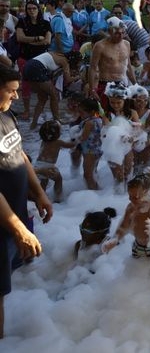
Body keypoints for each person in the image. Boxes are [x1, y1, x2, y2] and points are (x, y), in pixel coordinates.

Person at [0, 66, 53, 338]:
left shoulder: (6, 114)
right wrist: (19, 230)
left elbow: (20, 155)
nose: (17, 97)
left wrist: (39, 193)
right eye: (11, 91)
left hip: (14, 217)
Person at [102, 174, 150, 258]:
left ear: (147, 195)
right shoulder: (131, 208)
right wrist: (115, 239)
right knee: (136, 268)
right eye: (130, 196)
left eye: (136, 197)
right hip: (138, 247)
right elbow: (124, 226)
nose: (131, 199)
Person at [87, 17, 135, 111]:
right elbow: (92, 68)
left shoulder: (126, 44)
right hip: (105, 84)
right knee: (104, 114)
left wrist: (135, 84)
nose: (120, 36)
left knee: (123, 113)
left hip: (122, 84)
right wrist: (92, 89)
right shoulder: (100, 46)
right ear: (109, 32)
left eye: (122, 33)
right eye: (117, 33)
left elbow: (128, 66)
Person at [34, 120, 74, 202]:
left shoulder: (44, 141)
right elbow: (69, 145)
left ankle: (40, 198)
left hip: (38, 165)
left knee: (44, 182)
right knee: (58, 179)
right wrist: (77, 140)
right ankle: (58, 198)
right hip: (48, 166)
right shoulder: (58, 142)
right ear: (57, 134)